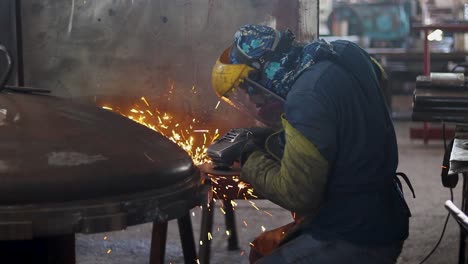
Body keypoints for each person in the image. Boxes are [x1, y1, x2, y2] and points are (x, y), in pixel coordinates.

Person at [210, 24, 412, 264]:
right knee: (261, 248)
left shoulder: (306, 97)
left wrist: (248, 159)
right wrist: (275, 136)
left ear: (262, 71)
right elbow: (366, 93)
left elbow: (297, 195)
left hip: (355, 236)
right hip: (385, 213)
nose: (254, 99)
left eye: (249, 88)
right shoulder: (343, 53)